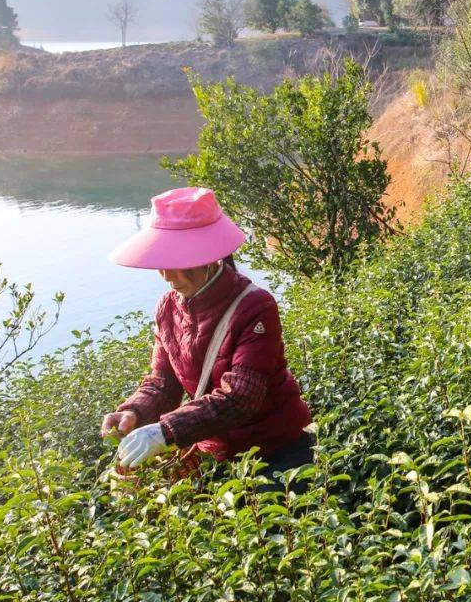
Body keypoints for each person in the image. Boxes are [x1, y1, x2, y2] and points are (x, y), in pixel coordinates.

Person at [100, 187, 313, 490]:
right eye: (162, 262)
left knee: (276, 530)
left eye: (179, 263)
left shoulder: (255, 306)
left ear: (211, 258)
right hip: (215, 454)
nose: (168, 275)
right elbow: (162, 382)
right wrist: (132, 412)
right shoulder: (168, 307)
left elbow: (241, 397)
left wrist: (166, 432)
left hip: (278, 453)